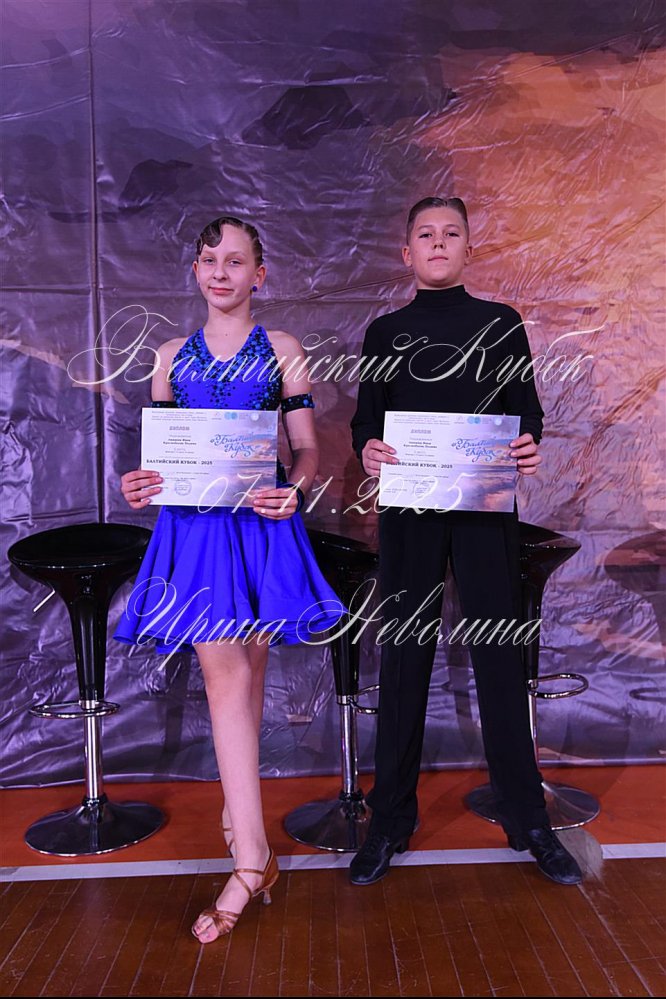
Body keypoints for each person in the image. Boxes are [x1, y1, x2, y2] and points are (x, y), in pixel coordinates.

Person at [115, 215, 346, 943]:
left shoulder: (284, 350)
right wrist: (140, 483)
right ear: (196, 270)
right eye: (210, 259)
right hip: (195, 532)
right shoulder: (167, 357)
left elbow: (305, 449)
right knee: (224, 679)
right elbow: (160, 458)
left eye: (236, 260)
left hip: (260, 525)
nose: (221, 271)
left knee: (247, 681)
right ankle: (250, 859)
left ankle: (239, 826)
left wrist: (295, 489)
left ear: (259, 274)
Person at [349, 196, 582, 886]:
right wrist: (367, 449)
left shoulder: (501, 323)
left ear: (468, 249)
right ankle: (389, 821)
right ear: (407, 253)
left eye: (451, 233)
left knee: (500, 660)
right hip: (411, 512)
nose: (438, 242)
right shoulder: (386, 332)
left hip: (483, 510)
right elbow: (366, 421)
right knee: (404, 661)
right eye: (426, 234)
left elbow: (527, 410)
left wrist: (527, 441)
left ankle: (528, 819)